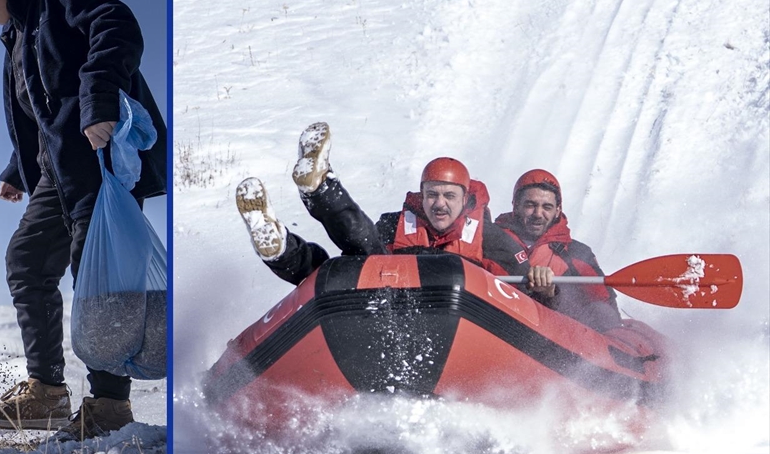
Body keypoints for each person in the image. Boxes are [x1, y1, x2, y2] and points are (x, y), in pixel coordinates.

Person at [0, 0, 167, 439]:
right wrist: (16, 170)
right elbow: (41, 117)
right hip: (55, 174)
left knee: (98, 277)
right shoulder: (17, 36)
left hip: (104, 163)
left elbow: (117, 24)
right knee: (26, 260)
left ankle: (109, 405)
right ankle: (45, 392)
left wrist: (100, 100)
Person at [237, 122, 510, 286]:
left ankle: (313, 200)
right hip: (390, 305)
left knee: (358, 256)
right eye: (432, 195)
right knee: (347, 262)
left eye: (449, 196)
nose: (439, 204)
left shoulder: (490, 236)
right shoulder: (397, 223)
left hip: (460, 312)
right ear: (421, 195)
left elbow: (529, 288)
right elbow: (356, 259)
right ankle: (297, 222)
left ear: (465, 200)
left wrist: (543, 283)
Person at [487, 170, 622, 331]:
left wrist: (552, 294)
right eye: (530, 205)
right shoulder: (490, 240)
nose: (538, 214)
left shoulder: (576, 254)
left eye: (547, 207)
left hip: (550, 338)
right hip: (492, 322)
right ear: (516, 206)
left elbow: (606, 312)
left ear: (557, 210)